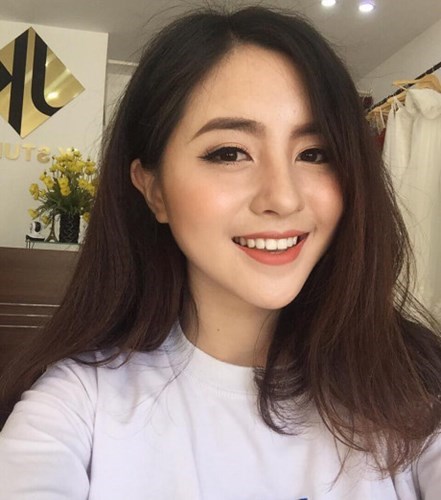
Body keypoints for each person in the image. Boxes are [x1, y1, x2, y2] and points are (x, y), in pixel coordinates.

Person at [1, 6, 440, 499]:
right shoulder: (76, 406)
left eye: (314, 153)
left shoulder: (416, 392)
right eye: (230, 153)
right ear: (153, 190)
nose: (283, 198)